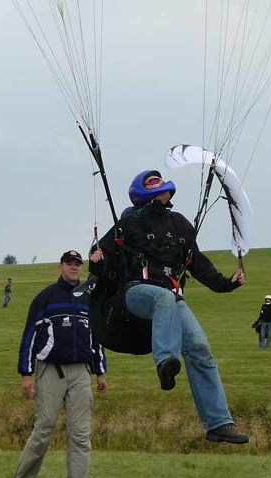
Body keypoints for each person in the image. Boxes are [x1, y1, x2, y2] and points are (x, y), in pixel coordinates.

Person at [89, 169, 249, 445]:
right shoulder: (128, 223)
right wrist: (96, 261)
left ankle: (218, 423)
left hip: (171, 294)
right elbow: (103, 260)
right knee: (163, 299)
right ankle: (165, 362)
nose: (160, 185)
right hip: (137, 292)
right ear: (142, 191)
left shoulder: (180, 225)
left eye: (161, 182)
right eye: (153, 182)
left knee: (200, 347)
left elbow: (197, 264)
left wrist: (227, 283)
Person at [12, 250, 108, 478]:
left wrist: (100, 372)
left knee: (80, 434)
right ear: (61, 266)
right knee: (43, 429)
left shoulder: (89, 297)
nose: (74, 267)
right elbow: (29, 336)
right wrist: (26, 373)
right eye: (69, 263)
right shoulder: (46, 297)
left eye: (78, 264)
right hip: (50, 371)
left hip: (81, 373)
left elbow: (97, 337)